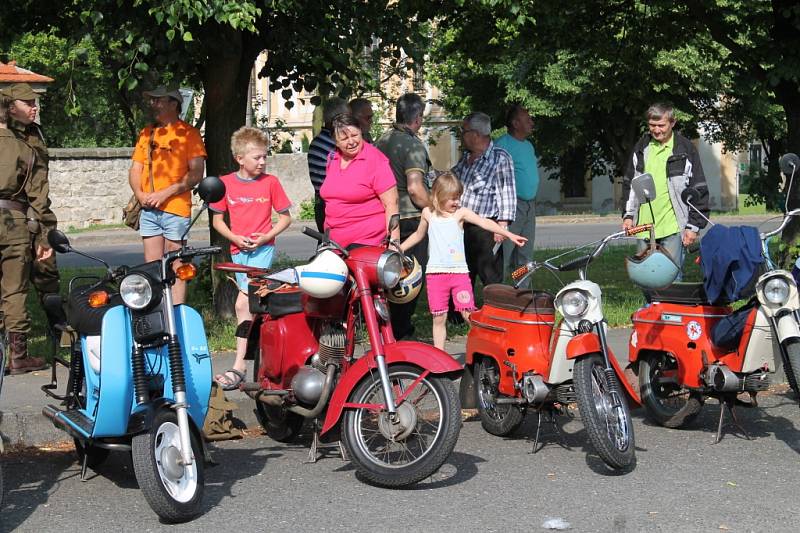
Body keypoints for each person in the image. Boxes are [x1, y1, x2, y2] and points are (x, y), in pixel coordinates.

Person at [401, 172, 526, 350]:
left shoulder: (461, 214)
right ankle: (440, 356)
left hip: (459, 275)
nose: (457, 202)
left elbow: (484, 222)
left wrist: (509, 234)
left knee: (468, 314)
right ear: (438, 196)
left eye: (458, 198)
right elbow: (417, 235)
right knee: (439, 317)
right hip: (436, 276)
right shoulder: (428, 213)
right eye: (452, 198)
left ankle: (486, 346)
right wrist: (399, 248)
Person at [209, 127, 292, 390]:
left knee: (243, 305)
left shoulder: (271, 183)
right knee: (255, 306)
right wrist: (234, 237)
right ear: (239, 158)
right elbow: (217, 221)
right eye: (257, 157)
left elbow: (286, 217)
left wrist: (266, 236)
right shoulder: (225, 184)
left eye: (264, 157)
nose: (263, 162)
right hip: (238, 252)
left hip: (262, 251)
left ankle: (239, 365)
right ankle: (261, 356)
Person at [128, 85, 206, 304]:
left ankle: (177, 314)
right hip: (149, 210)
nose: (153, 105)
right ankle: (158, 313)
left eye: (158, 100)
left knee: (176, 265)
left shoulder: (188, 134)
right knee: (152, 267)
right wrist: (140, 194)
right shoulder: (147, 133)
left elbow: (196, 174)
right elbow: (135, 169)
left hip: (176, 209)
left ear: (173, 104)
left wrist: (164, 194)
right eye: (152, 100)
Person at [0, 88, 56, 374]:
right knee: (14, 289)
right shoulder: (24, 148)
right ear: (9, 109)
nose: (34, 108)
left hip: (22, 218)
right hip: (16, 220)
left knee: (41, 281)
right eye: (28, 103)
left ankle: (60, 336)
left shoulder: (33, 136)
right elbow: (38, 194)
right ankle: (17, 355)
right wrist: (45, 232)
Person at [620, 103, 710, 274]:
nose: (656, 130)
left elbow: (698, 189)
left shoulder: (685, 149)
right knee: (645, 277)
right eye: (652, 125)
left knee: (671, 278)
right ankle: (650, 302)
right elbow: (631, 183)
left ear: (673, 123)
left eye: (661, 125)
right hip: (644, 227)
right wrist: (628, 215)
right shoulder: (641, 148)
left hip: (674, 228)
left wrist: (693, 227)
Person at [375, 92, 432, 340]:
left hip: (384, 217)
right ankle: (403, 334)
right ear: (417, 118)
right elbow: (416, 188)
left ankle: (386, 331)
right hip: (410, 219)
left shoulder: (381, 141)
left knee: (387, 278)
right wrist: (436, 209)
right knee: (410, 278)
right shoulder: (413, 145)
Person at [452, 112, 516, 288]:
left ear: (475, 134)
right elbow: (451, 180)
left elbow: (507, 192)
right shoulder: (466, 158)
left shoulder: (500, 157)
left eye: (463, 131)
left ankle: (494, 313)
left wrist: (502, 227)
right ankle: (459, 314)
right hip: (462, 227)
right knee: (461, 275)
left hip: (486, 229)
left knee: (491, 278)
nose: (461, 135)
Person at [321, 113, 400, 248]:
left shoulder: (375, 160)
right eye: (344, 138)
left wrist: (394, 244)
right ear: (336, 142)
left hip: (367, 244)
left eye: (355, 135)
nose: (351, 141)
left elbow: (392, 204)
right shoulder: (332, 158)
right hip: (334, 243)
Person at [496, 104, 539, 282]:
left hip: (530, 206)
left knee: (525, 254)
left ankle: (522, 294)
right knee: (504, 255)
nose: (531, 122)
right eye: (527, 118)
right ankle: (499, 294)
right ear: (515, 123)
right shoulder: (502, 145)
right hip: (512, 207)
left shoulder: (528, 145)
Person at [307, 97, 349, 232]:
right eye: (346, 118)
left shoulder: (318, 141)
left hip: (323, 204)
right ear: (336, 120)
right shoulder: (333, 145)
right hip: (333, 206)